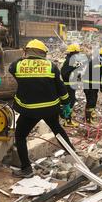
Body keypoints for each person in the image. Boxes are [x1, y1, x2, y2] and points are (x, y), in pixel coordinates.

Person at [9, 39, 73, 178]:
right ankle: (73, 154)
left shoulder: (18, 65)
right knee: (58, 130)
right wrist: (66, 103)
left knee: (20, 136)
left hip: (29, 110)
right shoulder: (51, 66)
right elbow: (61, 88)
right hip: (50, 108)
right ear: (43, 53)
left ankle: (26, 169)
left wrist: (24, 59)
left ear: (27, 51)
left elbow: (11, 70)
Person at [82, 47, 102, 125]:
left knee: (91, 102)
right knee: (91, 102)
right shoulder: (96, 63)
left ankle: (89, 116)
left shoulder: (96, 62)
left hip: (90, 87)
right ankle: (88, 119)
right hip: (90, 87)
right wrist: (101, 87)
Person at [61, 44, 82, 128]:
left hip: (69, 85)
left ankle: (66, 115)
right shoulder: (70, 61)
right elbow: (65, 74)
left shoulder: (70, 60)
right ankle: (67, 120)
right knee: (70, 102)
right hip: (69, 85)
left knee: (70, 101)